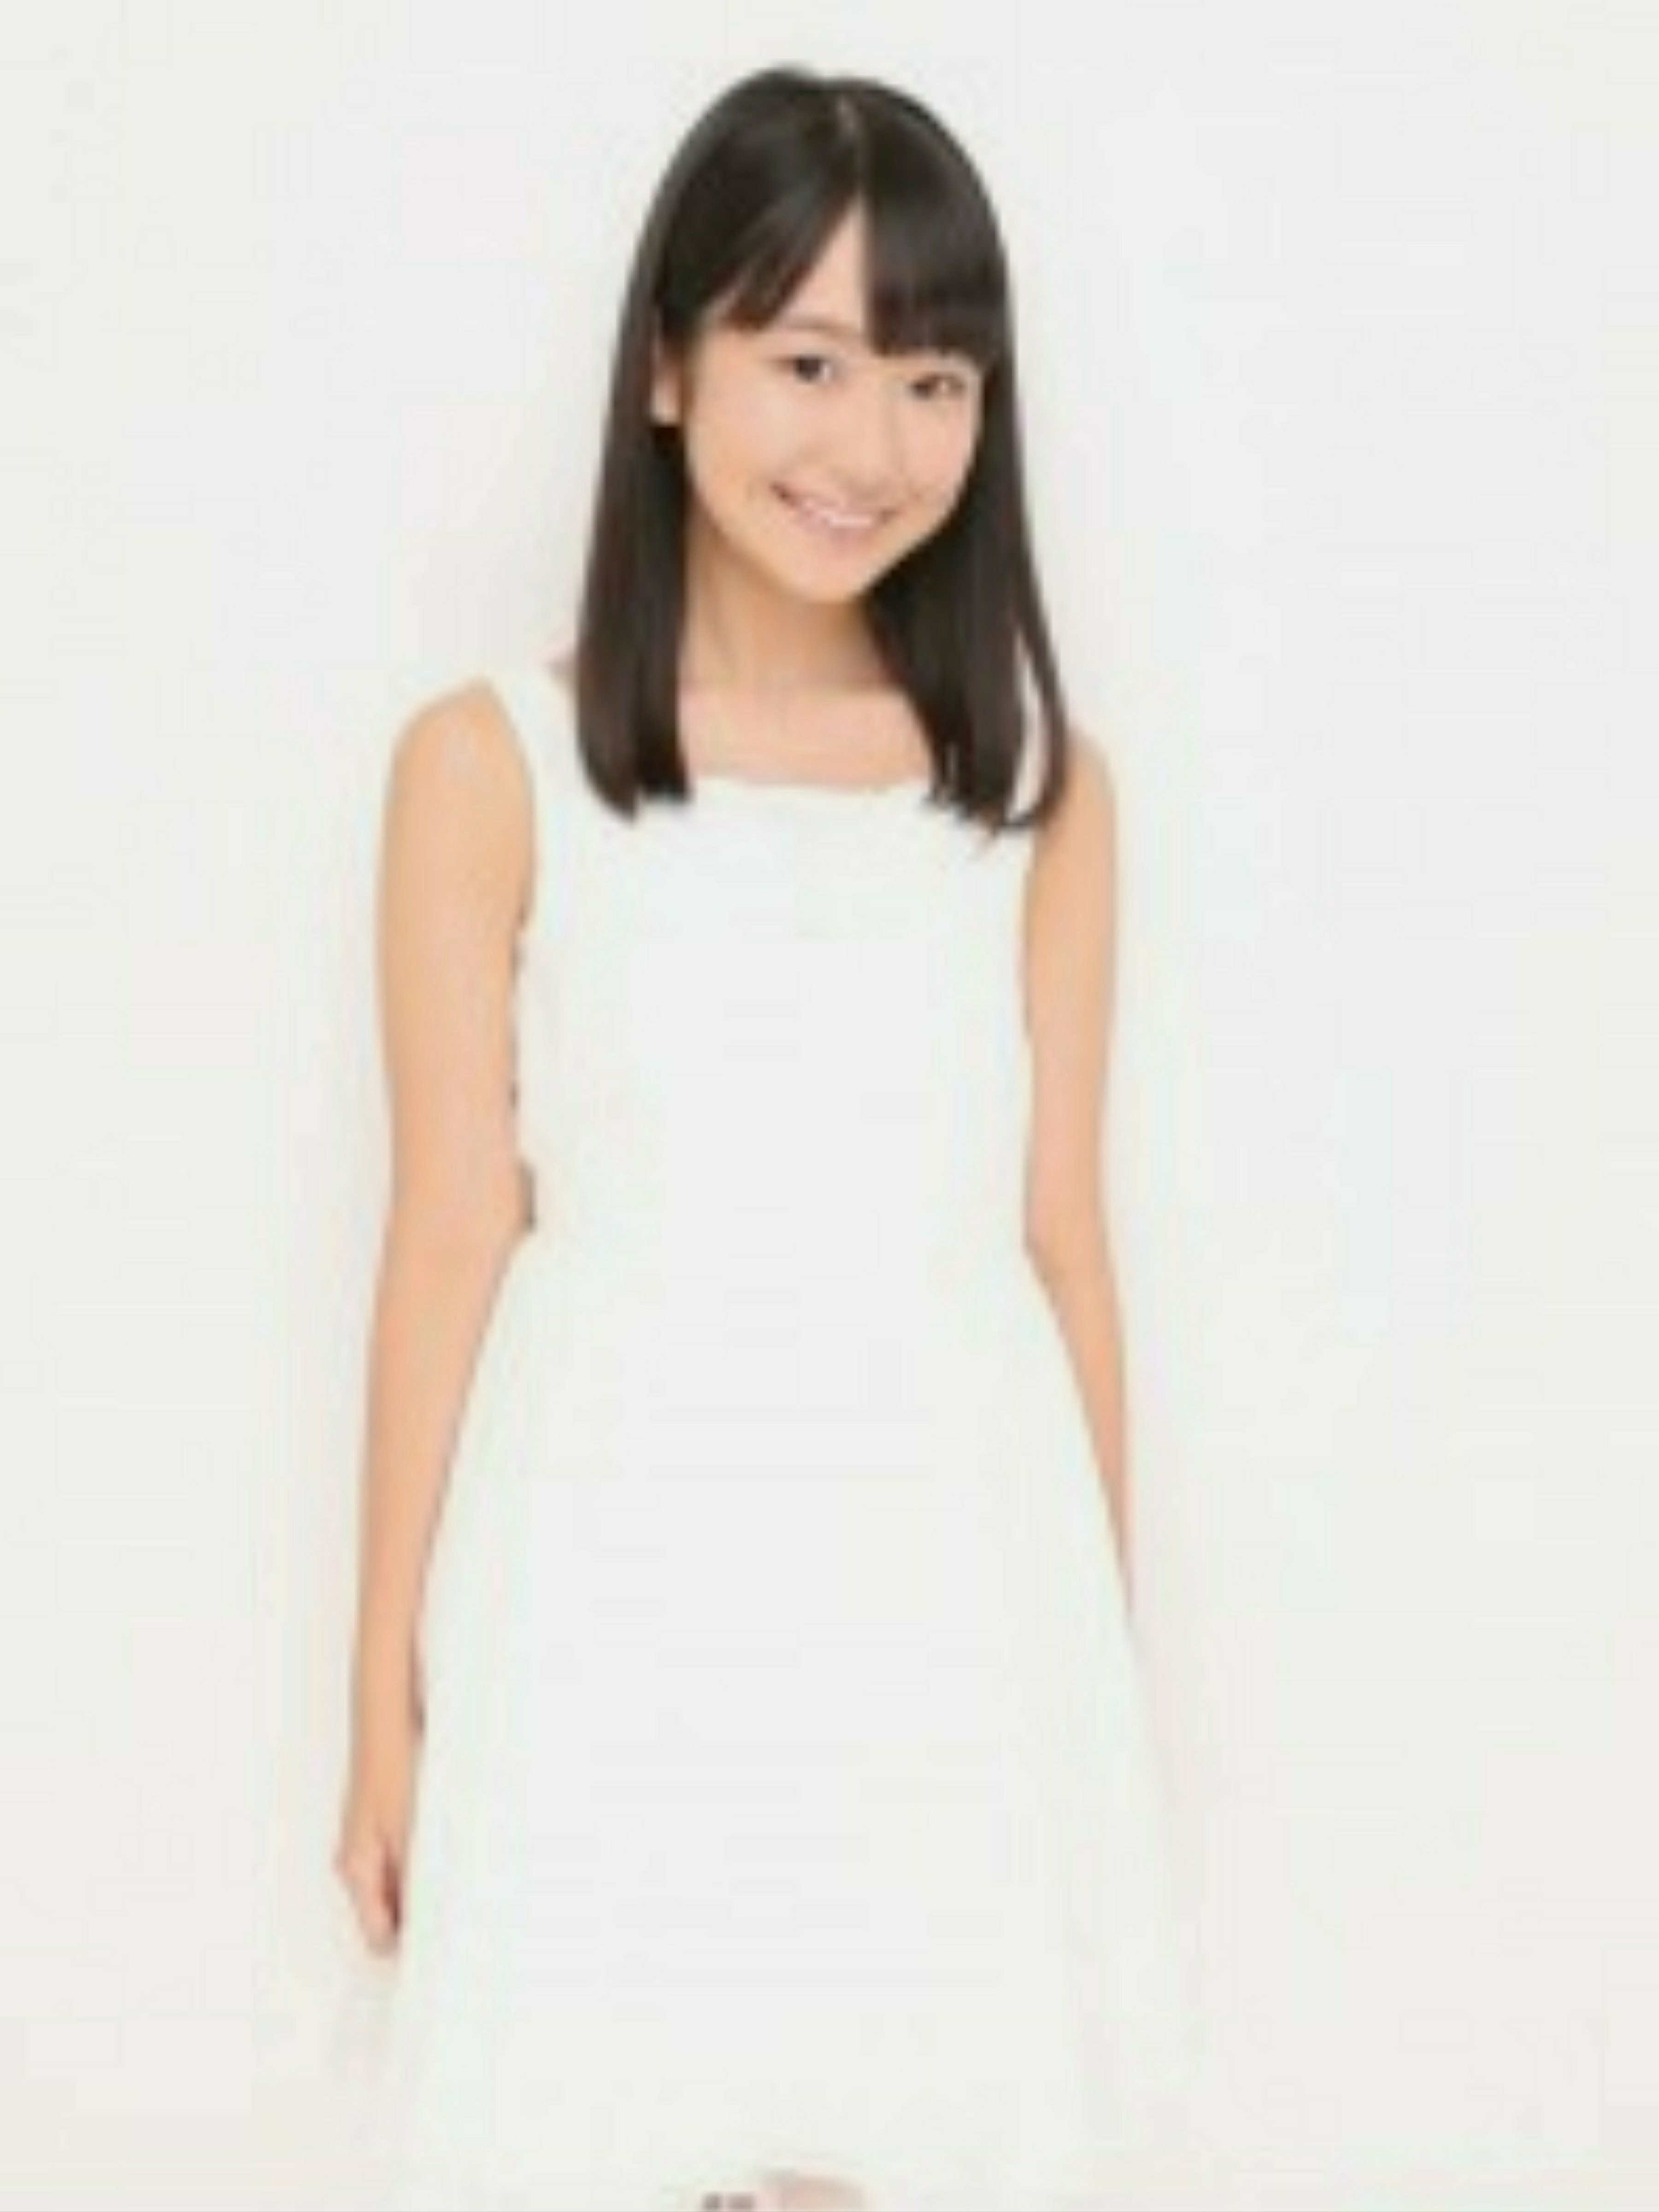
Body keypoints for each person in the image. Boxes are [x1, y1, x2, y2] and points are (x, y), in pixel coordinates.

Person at [332, 63, 1197, 2212]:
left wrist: (1093, 1671)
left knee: (921, 2131)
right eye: (809, 363)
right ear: (668, 366)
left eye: (933, 381)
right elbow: (450, 1230)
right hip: (613, 1559)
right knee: (615, 2120)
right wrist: (382, 1692)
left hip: (944, 1574)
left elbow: (1063, 1245)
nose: (871, 445)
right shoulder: (492, 765)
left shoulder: (1039, 795)